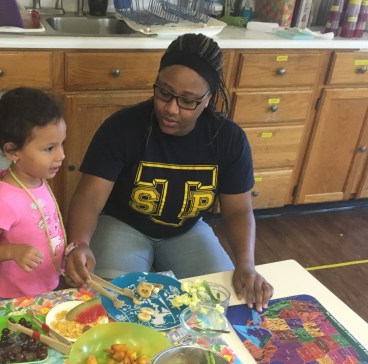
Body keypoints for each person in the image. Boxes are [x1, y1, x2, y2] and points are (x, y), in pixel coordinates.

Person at [63, 33, 273, 311]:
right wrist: (79, 244)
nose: (171, 109)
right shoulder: (121, 128)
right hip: (123, 225)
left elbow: (238, 210)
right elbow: (89, 198)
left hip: (186, 230)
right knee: (114, 306)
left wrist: (246, 264)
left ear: (207, 99)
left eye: (188, 101)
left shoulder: (229, 139)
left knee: (222, 304)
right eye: (164, 93)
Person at [0, 87, 67, 300]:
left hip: (47, 284)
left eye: (62, 144)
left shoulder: (37, 180)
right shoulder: (2, 200)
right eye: (49, 148)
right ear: (13, 152)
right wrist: (13, 252)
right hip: (15, 296)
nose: (61, 155)